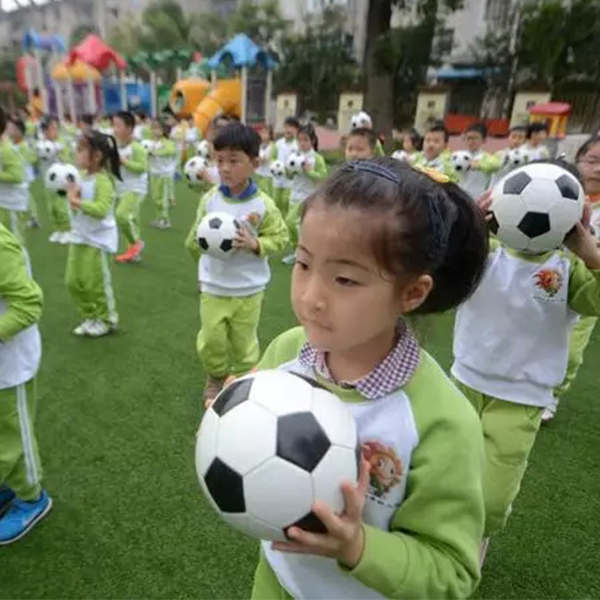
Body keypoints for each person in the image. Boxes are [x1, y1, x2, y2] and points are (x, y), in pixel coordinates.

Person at [246, 158, 488, 599]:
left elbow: (452, 572)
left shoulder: (443, 423)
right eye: (302, 264)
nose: (311, 297)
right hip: (275, 581)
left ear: (412, 293)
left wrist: (359, 546)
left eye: (344, 279)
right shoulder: (286, 352)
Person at [451, 161, 600, 561]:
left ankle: (480, 533)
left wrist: (593, 257)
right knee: (446, 468)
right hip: (464, 380)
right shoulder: (484, 252)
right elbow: (437, 268)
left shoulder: (570, 268)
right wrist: (469, 229)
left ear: (577, 216)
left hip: (521, 395)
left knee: (494, 496)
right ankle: (441, 528)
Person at [185, 122, 288, 402]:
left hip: (249, 288)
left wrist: (256, 244)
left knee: (244, 343)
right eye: (220, 161)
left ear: (254, 163)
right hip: (214, 286)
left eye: (234, 160)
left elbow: (281, 237)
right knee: (211, 340)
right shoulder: (209, 200)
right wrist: (200, 269)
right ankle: (216, 376)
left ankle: (244, 381)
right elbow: (194, 239)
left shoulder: (263, 205)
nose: (226, 168)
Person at [543, 137, 600, 423]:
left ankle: (551, 396)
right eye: (592, 161)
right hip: (549, 280)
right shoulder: (555, 194)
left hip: (587, 285)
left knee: (572, 352)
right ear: (578, 162)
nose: (598, 169)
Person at [0, 222, 51, 545]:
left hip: (9, 362)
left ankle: (32, 497)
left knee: (13, 433)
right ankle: (6, 484)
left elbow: (29, 302)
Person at [65, 130, 120, 338]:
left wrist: (76, 201)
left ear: (96, 156)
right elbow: (75, 208)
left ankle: (107, 319)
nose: (76, 153)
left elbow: (101, 210)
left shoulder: (103, 181)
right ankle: (89, 316)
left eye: (80, 149)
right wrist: (72, 197)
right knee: (73, 281)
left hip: (98, 239)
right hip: (79, 236)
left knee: (94, 282)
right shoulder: (80, 177)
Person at [283, 124, 328, 265]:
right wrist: (289, 170)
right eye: (300, 140)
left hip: (309, 196)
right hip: (295, 195)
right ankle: (296, 250)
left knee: (298, 224)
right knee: (290, 224)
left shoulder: (317, 158)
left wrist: (309, 171)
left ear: (313, 141)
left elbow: (322, 178)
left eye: (305, 140)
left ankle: (302, 253)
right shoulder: (294, 156)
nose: (302, 143)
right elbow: (289, 177)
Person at [112, 111, 148, 263]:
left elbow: (142, 167)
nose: (114, 129)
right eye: (113, 125)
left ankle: (136, 244)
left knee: (122, 215)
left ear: (129, 128)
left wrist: (124, 162)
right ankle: (133, 253)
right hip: (122, 189)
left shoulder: (136, 148)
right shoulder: (115, 146)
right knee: (132, 220)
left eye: (118, 125)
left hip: (135, 189)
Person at [40, 116, 72, 244]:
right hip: (48, 181)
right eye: (50, 129)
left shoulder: (61, 142)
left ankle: (68, 230)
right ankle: (58, 229)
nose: (54, 131)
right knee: (51, 207)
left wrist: (59, 152)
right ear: (45, 131)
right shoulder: (42, 144)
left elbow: (67, 158)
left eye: (55, 128)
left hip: (61, 181)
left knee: (62, 206)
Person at [0, 109, 27, 244]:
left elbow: (17, 175)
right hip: (2, 203)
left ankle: (22, 265)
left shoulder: (7, 149)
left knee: (14, 243)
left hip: (10, 205)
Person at [7, 117, 38, 230]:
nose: (8, 130)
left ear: (18, 130)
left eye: (11, 128)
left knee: (26, 196)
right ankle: (31, 217)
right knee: (26, 196)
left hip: (23, 175)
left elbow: (27, 160)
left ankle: (33, 217)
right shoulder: (11, 144)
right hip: (19, 175)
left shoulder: (23, 145)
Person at [458, 122, 502, 200]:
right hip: (459, 195)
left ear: (484, 140)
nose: (471, 141)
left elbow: (496, 165)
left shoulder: (486, 157)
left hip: (477, 198)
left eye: (475, 138)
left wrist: (478, 165)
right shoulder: (459, 156)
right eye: (468, 138)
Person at [148, 118, 177, 229]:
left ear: (163, 130)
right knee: (155, 198)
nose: (155, 131)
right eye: (153, 128)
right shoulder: (152, 142)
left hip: (164, 174)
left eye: (157, 128)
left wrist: (157, 153)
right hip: (154, 173)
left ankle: (165, 220)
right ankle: (158, 217)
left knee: (163, 198)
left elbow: (171, 151)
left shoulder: (168, 142)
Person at [272, 117, 300, 218]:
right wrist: (275, 166)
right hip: (277, 180)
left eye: (292, 127)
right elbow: (273, 157)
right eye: (287, 126)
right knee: (276, 203)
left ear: (296, 130)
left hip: (290, 182)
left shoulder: (297, 145)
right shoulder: (278, 144)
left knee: (285, 203)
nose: (288, 129)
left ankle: (286, 225)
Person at [255, 124, 275, 196]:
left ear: (270, 135)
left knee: (266, 194)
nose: (262, 134)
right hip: (258, 174)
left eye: (265, 133)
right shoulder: (258, 145)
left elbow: (263, 159)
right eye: (261, 132)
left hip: (267, 176)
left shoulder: (272, 146)